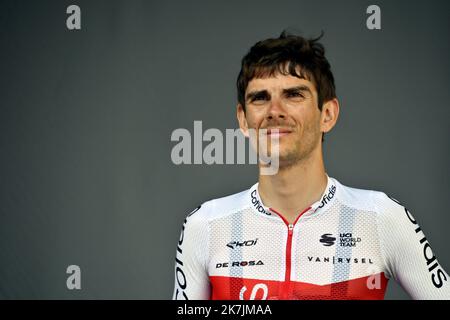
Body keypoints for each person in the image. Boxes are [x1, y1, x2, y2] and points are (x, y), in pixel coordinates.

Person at [172, 31, 450, 300]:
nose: (275, 111)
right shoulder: (205, 225)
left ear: (327, 114)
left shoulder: (382, 218)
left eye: (294, 95)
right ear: (243, 120)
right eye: (260, 98)